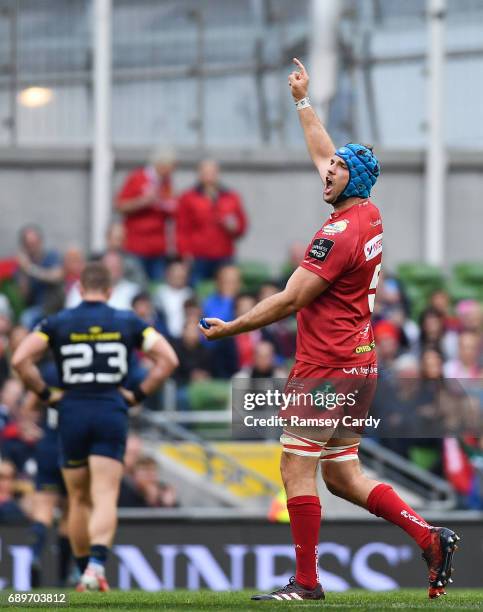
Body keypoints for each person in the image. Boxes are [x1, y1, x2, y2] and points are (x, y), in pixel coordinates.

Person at [199, 58, 459, 602]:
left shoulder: (338, 233)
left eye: (336, 169)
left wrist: (232, 328)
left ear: (351, 180)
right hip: (360, 363)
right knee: (342, 474)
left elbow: (292, 299)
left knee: (296, 465)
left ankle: (307, 583)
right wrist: (302, 100)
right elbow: (323, 149)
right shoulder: (369, 213)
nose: (326, 169)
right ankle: (428, 537)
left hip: (326, 367)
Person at [12, 262, 179, 592]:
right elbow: (168, 360)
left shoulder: (58, 322)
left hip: (71, 411)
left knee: (77, 497)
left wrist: (46, 394)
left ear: (79, 288)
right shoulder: (127, 321)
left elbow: (20, 360)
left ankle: (79, 570)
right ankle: (96, 568)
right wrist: (137, 395)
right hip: (109, 409)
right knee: (104, 493)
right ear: (110, 290)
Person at [177, 159, 248, 284]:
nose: (209, 177)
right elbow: (182, 228)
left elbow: (241, 225)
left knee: (228, 286)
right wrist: (184, 253)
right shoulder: (188, 197)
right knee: (196, 287)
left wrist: (233, 227)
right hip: (198, 255)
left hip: (224, 254)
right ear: (199, 174)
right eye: (205, 173)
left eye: (212, 173)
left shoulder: (231, 196)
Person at [115, 149, 178, 281]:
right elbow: (120, 206)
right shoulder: (137, 178)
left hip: (158, 247)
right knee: (137, 283)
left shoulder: (166, 183)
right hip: (137, 246)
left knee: (158, 284)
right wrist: (142, 202)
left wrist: (169, 206)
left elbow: (170, 209)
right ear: (161, 164)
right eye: (171, 167)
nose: (172, 171)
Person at [16, 225, 63, 328]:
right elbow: (23, 295)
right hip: (34, 308)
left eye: (34, 243)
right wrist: (24, 272)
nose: (32, 246)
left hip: (54, 307)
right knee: (26, 319)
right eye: (28, 244)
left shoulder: (51, 256)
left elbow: (56, 276)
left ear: (40, 242)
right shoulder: (22, 265)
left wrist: (30, 269)